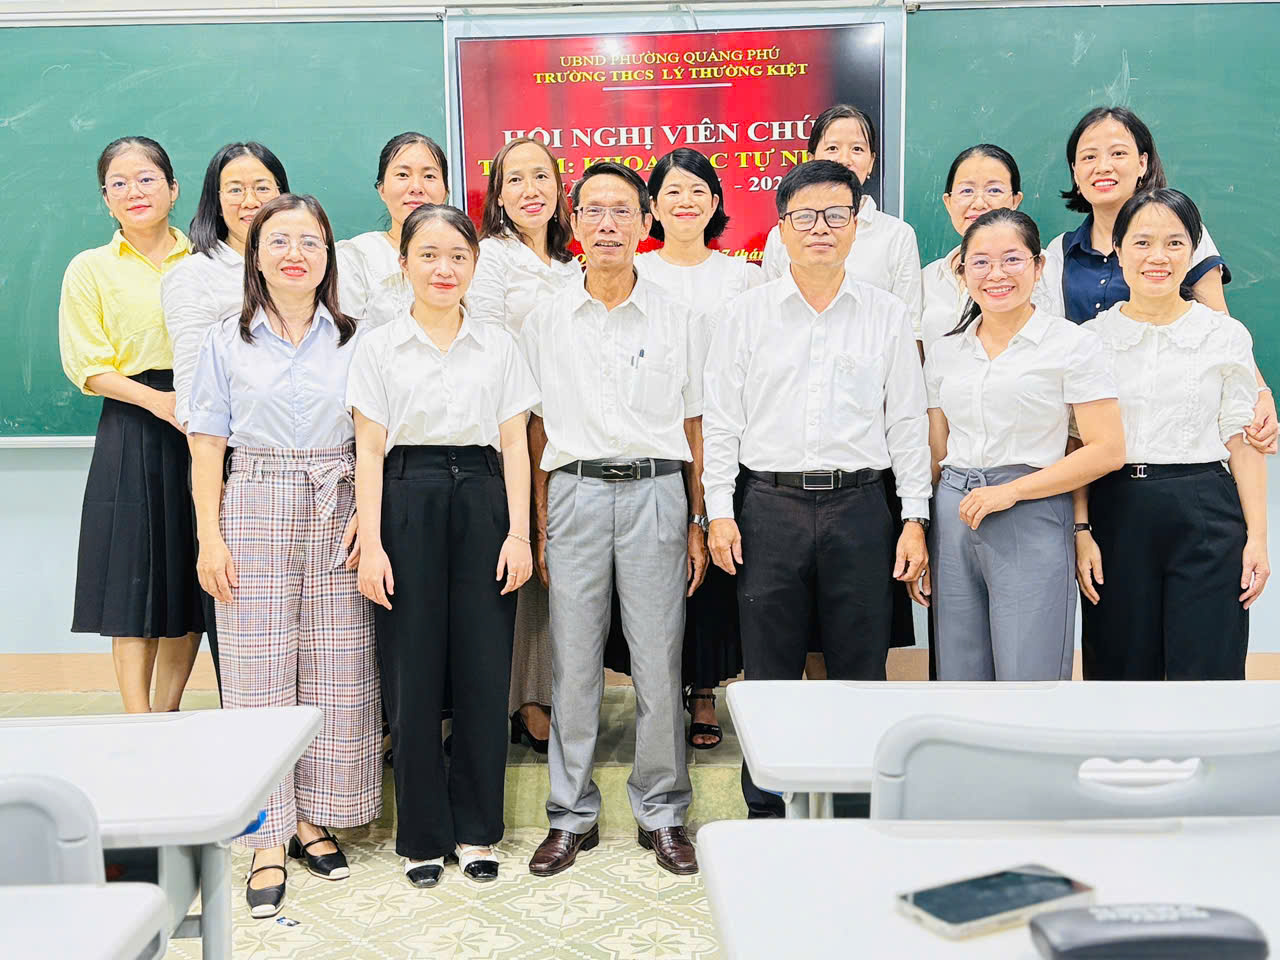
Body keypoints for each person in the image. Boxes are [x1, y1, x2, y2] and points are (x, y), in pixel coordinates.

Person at [703, 160, 930, 819]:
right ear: (782, 229)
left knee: (861, 668)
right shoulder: (745, 315)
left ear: (856, 226)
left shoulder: (886, 315)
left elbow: (907, 421)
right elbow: (721, 421)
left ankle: (857, 810)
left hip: (860, 507)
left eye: (836, 215)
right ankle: (767, 811)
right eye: (804, 216)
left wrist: (914, 517)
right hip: (767, 506)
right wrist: (718, 511)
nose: (820, 228)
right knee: (769, 668)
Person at [188, 194, 380, 918]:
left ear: (329, 256)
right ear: (256, 254)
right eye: (280, 241)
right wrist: (209, 537)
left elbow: (375, 436)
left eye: (310, 241)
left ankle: (315, 817)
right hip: (255, 497)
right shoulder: (223, 340)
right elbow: (207, 442)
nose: (295, 253)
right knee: (257, 668)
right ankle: (267, 834)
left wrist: (368, 515)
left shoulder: (359, 336)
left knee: (337, 664)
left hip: (340, 498)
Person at [521, 161, 707, 877]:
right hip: (574, 493)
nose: (607, 224)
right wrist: (541, 521)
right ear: (573, 223)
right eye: (593, 211)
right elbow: (535, 428)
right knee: (573, 664)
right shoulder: (544, 317)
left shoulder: (677, 316)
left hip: (657, 492)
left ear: (645, 222)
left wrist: (696, 518)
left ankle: (662, 811)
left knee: (659, 661)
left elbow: (695, 425)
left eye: (622, 211)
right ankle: (570, 815)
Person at [349, 204, 538, 888]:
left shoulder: (499, 345)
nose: (443, 268)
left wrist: (519, 533)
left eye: (458, 256)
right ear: (403, 264)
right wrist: (372, 544)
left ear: (474, 265)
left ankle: (478, 830)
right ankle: (423, 836)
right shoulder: (378, 347)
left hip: (484, 496)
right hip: (408, 495)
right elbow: (369, 451)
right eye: (428, 255)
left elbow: (515, 444)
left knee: (484, 672)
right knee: (412, 675)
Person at [1074, 189, 1269, 680]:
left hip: (1205, 511)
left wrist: (1259, 539)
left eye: (1174, 243)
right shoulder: (1089, 341)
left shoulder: (1225, 336)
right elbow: (1077, 444)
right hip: (1116, 511)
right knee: (1119, 672)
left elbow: (1241, 442)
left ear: (1192, 252)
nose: (1157, 256)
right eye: (1142, 242)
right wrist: (1081, 530)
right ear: (1118, 250)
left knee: (1207, 671)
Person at [924, 209, 1124, 681]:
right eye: (980, 262)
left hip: (1031, 508)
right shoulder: (946, 349)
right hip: (953, 512)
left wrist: (1012, 491)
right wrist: (919, 525)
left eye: (1012, 259)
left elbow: (1107, 449)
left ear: (1038, 267)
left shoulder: (1072, 344)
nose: (996, 274)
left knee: (1028, 674)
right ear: (962, 272)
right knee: (959, 673)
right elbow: (936, 448)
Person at [763, 105, 924, 669]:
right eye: (833, 146)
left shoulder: (893, 260)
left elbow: (906, 397)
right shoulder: (765, 279)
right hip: (778, 482)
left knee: (858, 647)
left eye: (858, 147)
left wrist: (914, 513)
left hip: (861, 476)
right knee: (780, 649)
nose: (821, 229)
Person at [58, 135, 202, 714]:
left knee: (192, 577)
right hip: (132, 423)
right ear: (105, 198)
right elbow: (87, 365)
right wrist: (156, 402)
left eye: (146, 179)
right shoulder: (89, 268)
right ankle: (137, 721)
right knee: (132, 575)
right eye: (118, 183)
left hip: (203, 423)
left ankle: (166, 714)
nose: (134, 191)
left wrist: (185, 405)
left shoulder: (206, 260)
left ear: (173, 188)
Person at [625, 147, 763, 748]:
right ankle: (656, 694)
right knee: (657, 576)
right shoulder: (635, 270)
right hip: (654, 436)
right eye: (672, 192)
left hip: (727, 433)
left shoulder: (744, 277)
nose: (685, 202)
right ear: (653, 207)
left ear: (715, 203)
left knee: (713, 565)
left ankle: (704, 690)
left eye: (697, 190)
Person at [1041, 106, 1276, 452]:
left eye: (1118, 153)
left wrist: (1260, 392)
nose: (1103, 166)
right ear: (1075, 172)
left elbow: (1221, 324)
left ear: (1143, 163)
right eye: (1088, 157)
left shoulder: (1180, 236)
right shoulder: (1059, 252)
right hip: (1086, 431)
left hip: (1175, 430)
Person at [162, 141, 289, 692]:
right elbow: (193, 395)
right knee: (246, 625)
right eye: (234, 189)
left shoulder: (302, 262)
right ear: (215, 200)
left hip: (310, 463)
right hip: (235, 466)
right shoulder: (194, 276)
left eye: (262, 186)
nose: (249, 199)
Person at [469, 136, 582, 754]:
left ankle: (546, 694)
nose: (530, 189)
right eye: (515, 179)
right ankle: (515, 700)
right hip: (509, 431)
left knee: (552, 564)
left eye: (541, 176)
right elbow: (486, 345)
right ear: (498, 195)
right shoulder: (490, 257)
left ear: (559, 188)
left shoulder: (572, 263)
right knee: (514, 560)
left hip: (568, 432)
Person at [762, 104, 923, 334]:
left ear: (871, 161)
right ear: (811, 159)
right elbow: (768, 315)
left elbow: (911, 327)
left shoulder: (897, 235)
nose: (844, 159)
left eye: (857, 149)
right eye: (832, 148)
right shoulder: (783, 234)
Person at [337, 132, 449, 329]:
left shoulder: (466, 258)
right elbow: (348, 339)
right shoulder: (356, 257)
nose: (416, 187)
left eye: (429, 176)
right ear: (382, 189)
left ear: (446, 192)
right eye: (403, 175)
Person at [920, 144, 1026, 351]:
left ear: (1015, 200)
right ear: (948, 202)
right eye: (966, 191)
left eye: (994, 190)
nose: (978, 203)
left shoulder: (1038, 268)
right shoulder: (928, 278)